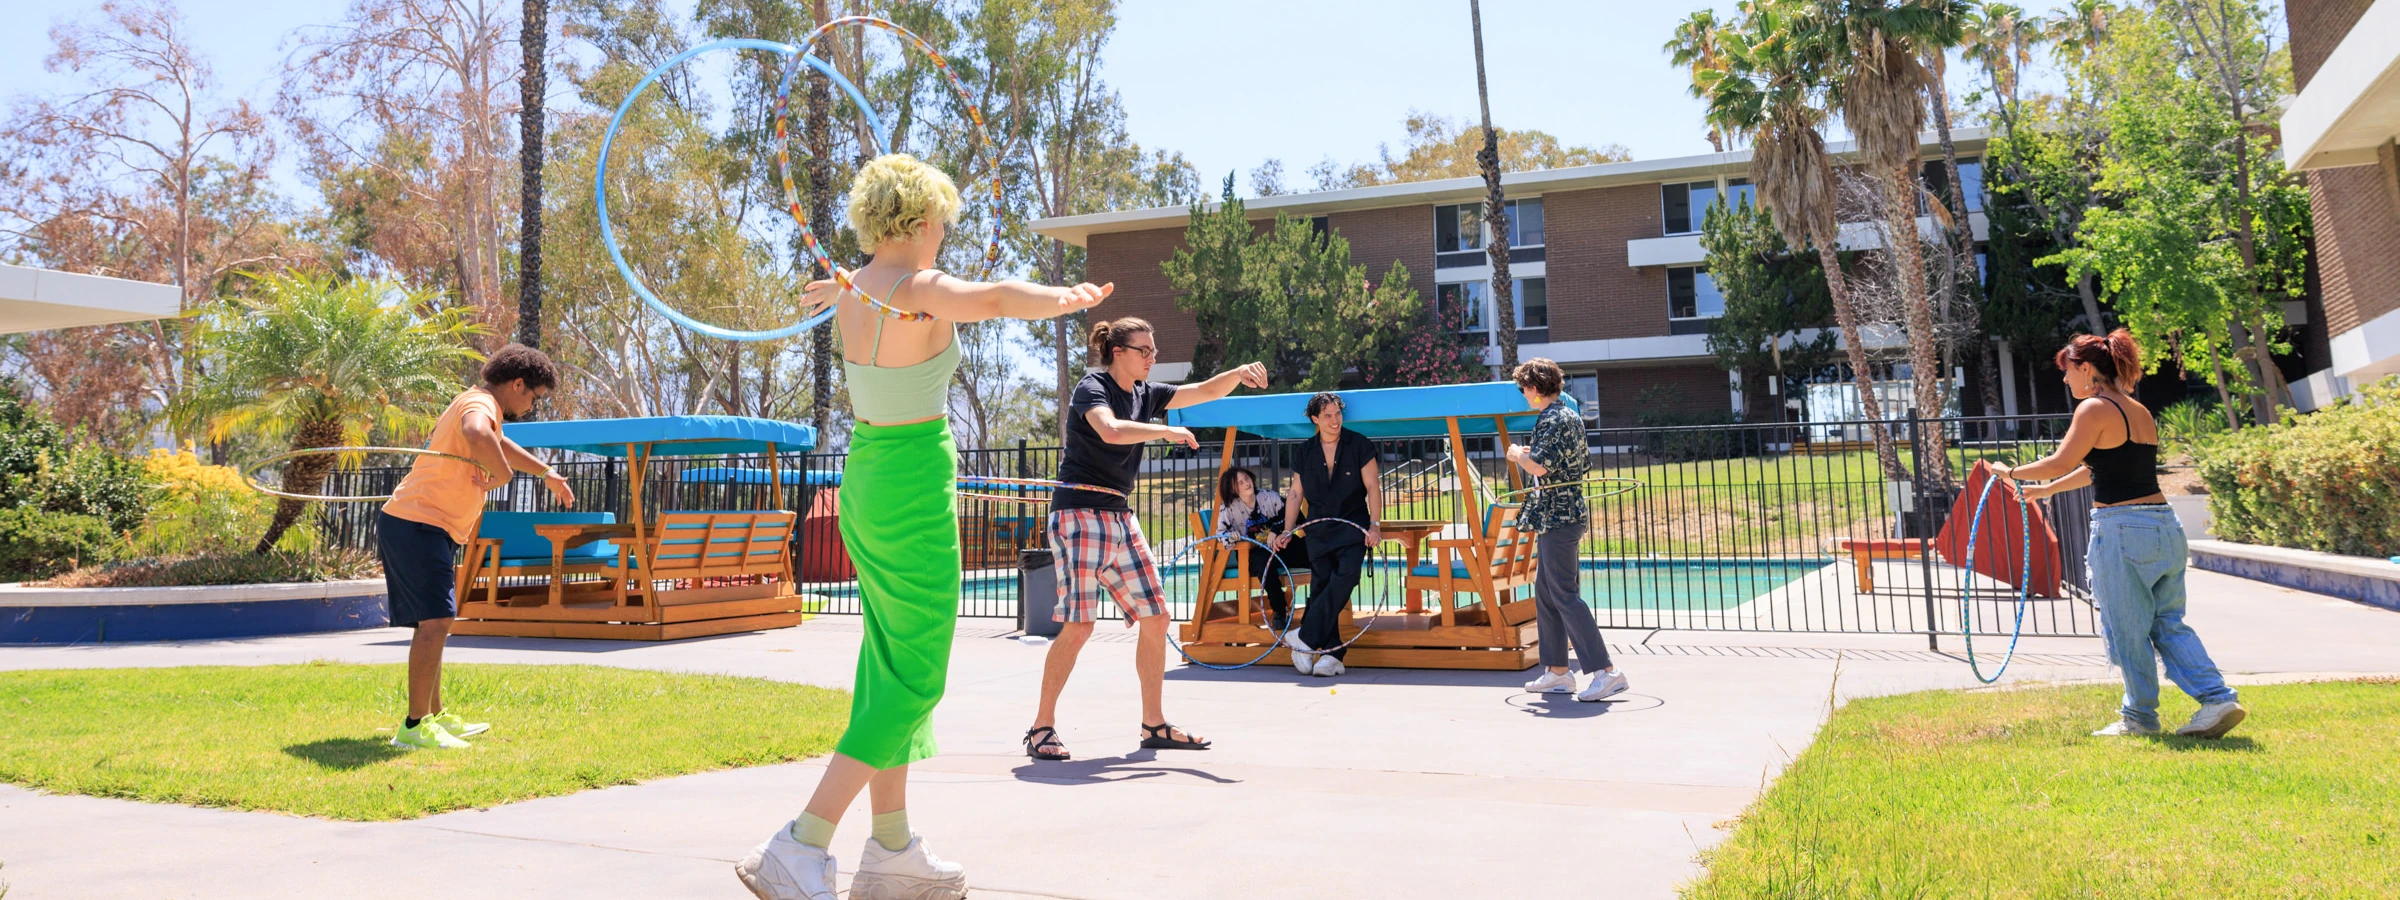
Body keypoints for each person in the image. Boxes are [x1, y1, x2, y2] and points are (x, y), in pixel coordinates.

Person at [736, 154, 1109, 900]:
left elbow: (857, 293)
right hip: (908, 487)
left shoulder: (850, 289)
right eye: (942, 218)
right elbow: (999, 298)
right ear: (921, 220)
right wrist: (1063, 298)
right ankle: (802, 841)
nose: (945, 231)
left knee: (888, 664)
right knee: (917, 675)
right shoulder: (920, 290)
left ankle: (893, 848)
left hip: (868, 479)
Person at [1022, 318, 1268, 762]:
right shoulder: (1092, 387)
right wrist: (1165, 430)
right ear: (1119, 351)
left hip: (1119, 513)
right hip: (1079, 513)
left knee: (1156, 617)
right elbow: (1111, 430)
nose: (1153, 359)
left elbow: (1204, 391)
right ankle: (1041, 727)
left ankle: (1153, 724)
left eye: (1154, 351)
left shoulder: (1146, 393)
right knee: (1079, 626)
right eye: (1145, 351)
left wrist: (1238, 372)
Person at [1990, 329, 2246, 739]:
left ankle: (2140, 718)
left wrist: (2013, 473)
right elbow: (2100, 467)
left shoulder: (2092, 409)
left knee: (2125, 628)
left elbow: (2061, 459)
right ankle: (2217, 699)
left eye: (2068, 371)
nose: (2065, 380)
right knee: (2167, 623)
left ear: (2087, 368)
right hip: (2164, 526)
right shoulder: (2137, 409)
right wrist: (2047, 491)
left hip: (2122, 531)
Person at [379, 344, 575, 750]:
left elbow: (497, 443)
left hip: (426, 525)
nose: (532, 405)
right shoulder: (480, 403)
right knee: (436, 622)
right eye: (534, 397)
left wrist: (547, 473)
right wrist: (502, 476)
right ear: (518, 383)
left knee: (435, 621)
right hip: (418, 522)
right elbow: (477, 433)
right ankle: (415, 727)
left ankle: (433, 716)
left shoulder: (482, 406)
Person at [1503, 358, 1629, 702]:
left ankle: (1606, 671)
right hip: (1565, 516)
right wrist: (1534, 455)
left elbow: (1540, 468)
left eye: (1523, 388)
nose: (1523, 393)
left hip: (1559, 519)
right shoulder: (1569, 415)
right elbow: (1570, 462)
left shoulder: (1550, 419)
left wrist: (1517, 454)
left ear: (1533, 387)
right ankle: (1558, 672)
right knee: (1546, 592)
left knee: (1563, 595)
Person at [1270, 392, 1382, 677]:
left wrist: (1375, 524)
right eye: (1328, 416)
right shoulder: (1305, 451)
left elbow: (1373, 488)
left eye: (1338, 414)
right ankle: (1331, 657)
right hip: (1318, 530)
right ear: (1315, 420)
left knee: (1347, 576)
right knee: (1320, 588)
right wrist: (1287, 529)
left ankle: (1305, 637)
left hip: (1352, 527)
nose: (1335, 421)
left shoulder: (1359, 444)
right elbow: (1295, 493)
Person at [1213, 465, 1309, 633]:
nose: (1246, 483)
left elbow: (1296, 517)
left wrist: (1276, 531)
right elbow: (1220, 535)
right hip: (1254, 556)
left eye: (1246, 478)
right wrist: (1231, 537)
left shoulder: (1268, 496)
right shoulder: (1227, 509)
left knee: (1317, 550)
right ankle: (1279, 611)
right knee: (1262, 560)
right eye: (1240, 483)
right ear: (1233, 489)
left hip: (1283, 548)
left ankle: (1315, 607)